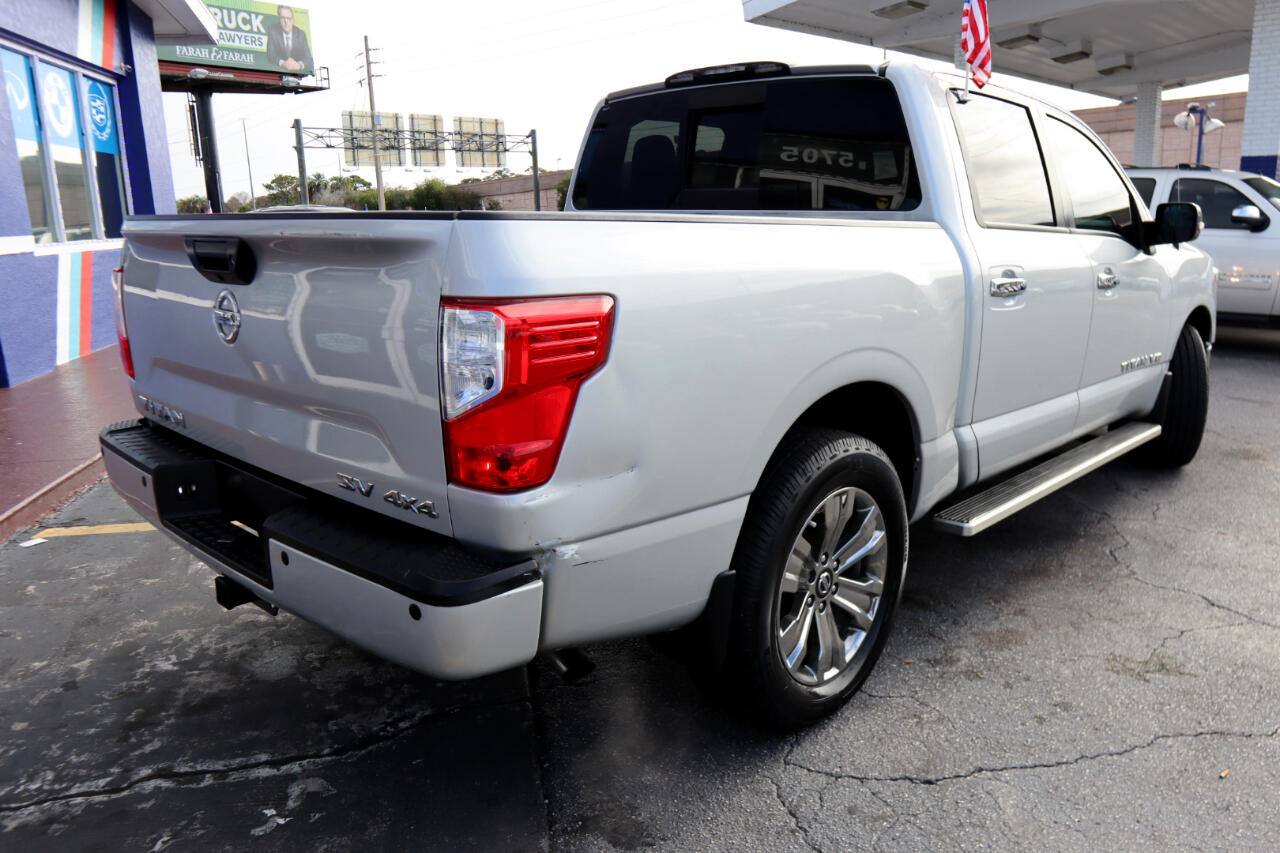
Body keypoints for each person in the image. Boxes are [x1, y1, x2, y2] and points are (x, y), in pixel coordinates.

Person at [266, 5, 311, 73]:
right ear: (279, 18)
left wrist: (299, 65)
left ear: (293, 19)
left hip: (296, 71)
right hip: (278, 73)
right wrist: (283, 63)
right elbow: (271, 55)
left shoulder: (301, 34)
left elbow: (309, 58)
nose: (286, 22)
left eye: (289, 18)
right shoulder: (272, 30)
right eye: (282, 18)